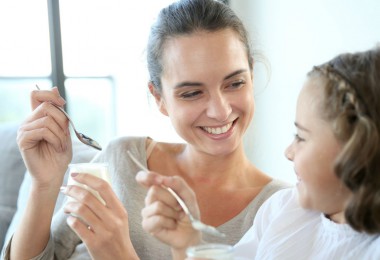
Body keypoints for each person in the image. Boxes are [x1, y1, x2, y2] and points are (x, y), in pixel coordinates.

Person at [2, 0, 289, 259]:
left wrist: (118, 253)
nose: (220, 110)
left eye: (235, 83)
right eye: (192, 93)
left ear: (251, 74)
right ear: (159, 98)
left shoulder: (282, 210)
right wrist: (44, 184)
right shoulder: (121, 158)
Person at [137, 46, 380, 259]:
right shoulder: (282, 211)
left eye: (301, 137)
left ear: (358, 150)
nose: (288, 151)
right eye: (191, 93)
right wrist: (189, 243)